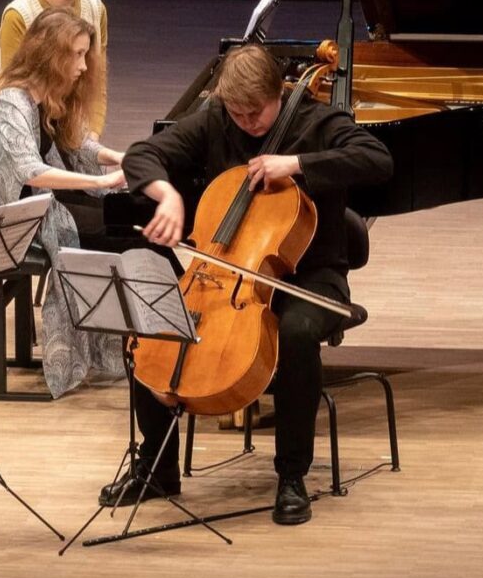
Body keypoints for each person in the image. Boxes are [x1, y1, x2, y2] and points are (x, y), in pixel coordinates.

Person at [109, 44, 393, 524]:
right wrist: (167, 196)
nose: (245, 122)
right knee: (150, 318)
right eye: (236, 113)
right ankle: (157, 471)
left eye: (255, 112)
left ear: (277, 94)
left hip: (311, 276)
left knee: (296, 333)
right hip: (226, 275)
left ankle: (292, 477)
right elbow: (143, 154)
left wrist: (297, 165)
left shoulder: (317, 121)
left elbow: (378, 160)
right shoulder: (218, 120)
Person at [0, 9, 127, 397]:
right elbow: (30, 171)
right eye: (75, 55)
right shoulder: (12, 102)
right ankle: (87, 353)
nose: (82, 65)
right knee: (102, 229)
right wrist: (98, 180)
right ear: (49, 55)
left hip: (42, 203)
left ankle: (108, 346)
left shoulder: (50, 96)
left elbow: (77, 144)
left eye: (85, 54)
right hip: (12, 215)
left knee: (118, 211)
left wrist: (117, 157)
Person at [0, 0, 109, 137]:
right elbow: (12, 97)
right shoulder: (19, 15)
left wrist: (92, 138)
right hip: (31, 134)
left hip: (80, 132)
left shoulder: (95, 7)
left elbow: (96, 86)